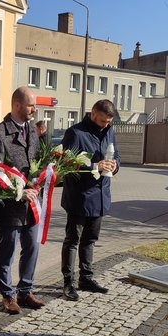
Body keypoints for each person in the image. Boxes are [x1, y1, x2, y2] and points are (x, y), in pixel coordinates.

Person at [0, 86, 44, 314]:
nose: (34, 109)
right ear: (17, 105)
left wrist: (41, 180)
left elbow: (37, 160)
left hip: (31, 205)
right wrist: (18, 192)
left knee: (32, 247)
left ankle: (25, 290)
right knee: (7, 251)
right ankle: (8, 295)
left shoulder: (33, 131)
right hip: (9, 207)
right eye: (31, 105)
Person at [60, 99, 120, 300]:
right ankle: (69, 282)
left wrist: (114, 165)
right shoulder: (76, 133)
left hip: (101, 196)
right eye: (103, 120)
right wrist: (95, 167)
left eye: (109, 122)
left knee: (90, 240)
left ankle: (86, 277)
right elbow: (66, 164)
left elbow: (117, 156)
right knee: (73, 241)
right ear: (93, 114)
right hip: (79, 197)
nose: (105, 125)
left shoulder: (109, 130)